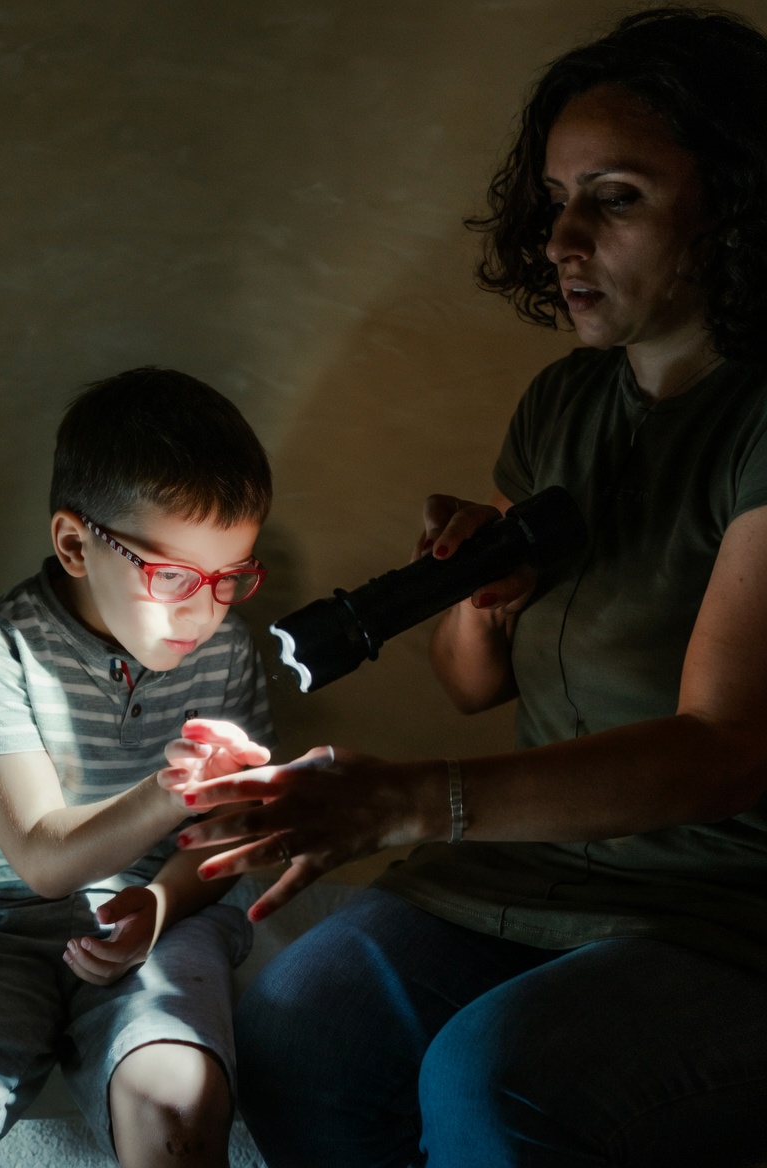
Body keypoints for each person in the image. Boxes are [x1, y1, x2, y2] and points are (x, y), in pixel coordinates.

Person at [170, 8, 767, 1167]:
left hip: (729, 900)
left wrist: (404, 803)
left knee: (494, 1079)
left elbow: (722, 750)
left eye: (616, 196)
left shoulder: (755, 420)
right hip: (540, 862)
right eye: (554, 199)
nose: (562, 238)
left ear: (736, 207)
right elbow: (469, 686)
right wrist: (484, 589)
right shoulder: (563, 405)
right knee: (296, 1027)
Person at [0, 366, 275, 1168]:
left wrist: (162, 904)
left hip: (162, 921)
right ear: (74, 543)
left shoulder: (227, 652)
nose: (203, 612)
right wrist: (172, 790)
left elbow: (228, 840)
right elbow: (40, 858)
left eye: (230, 578)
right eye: (172, 576)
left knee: (176, 1109)